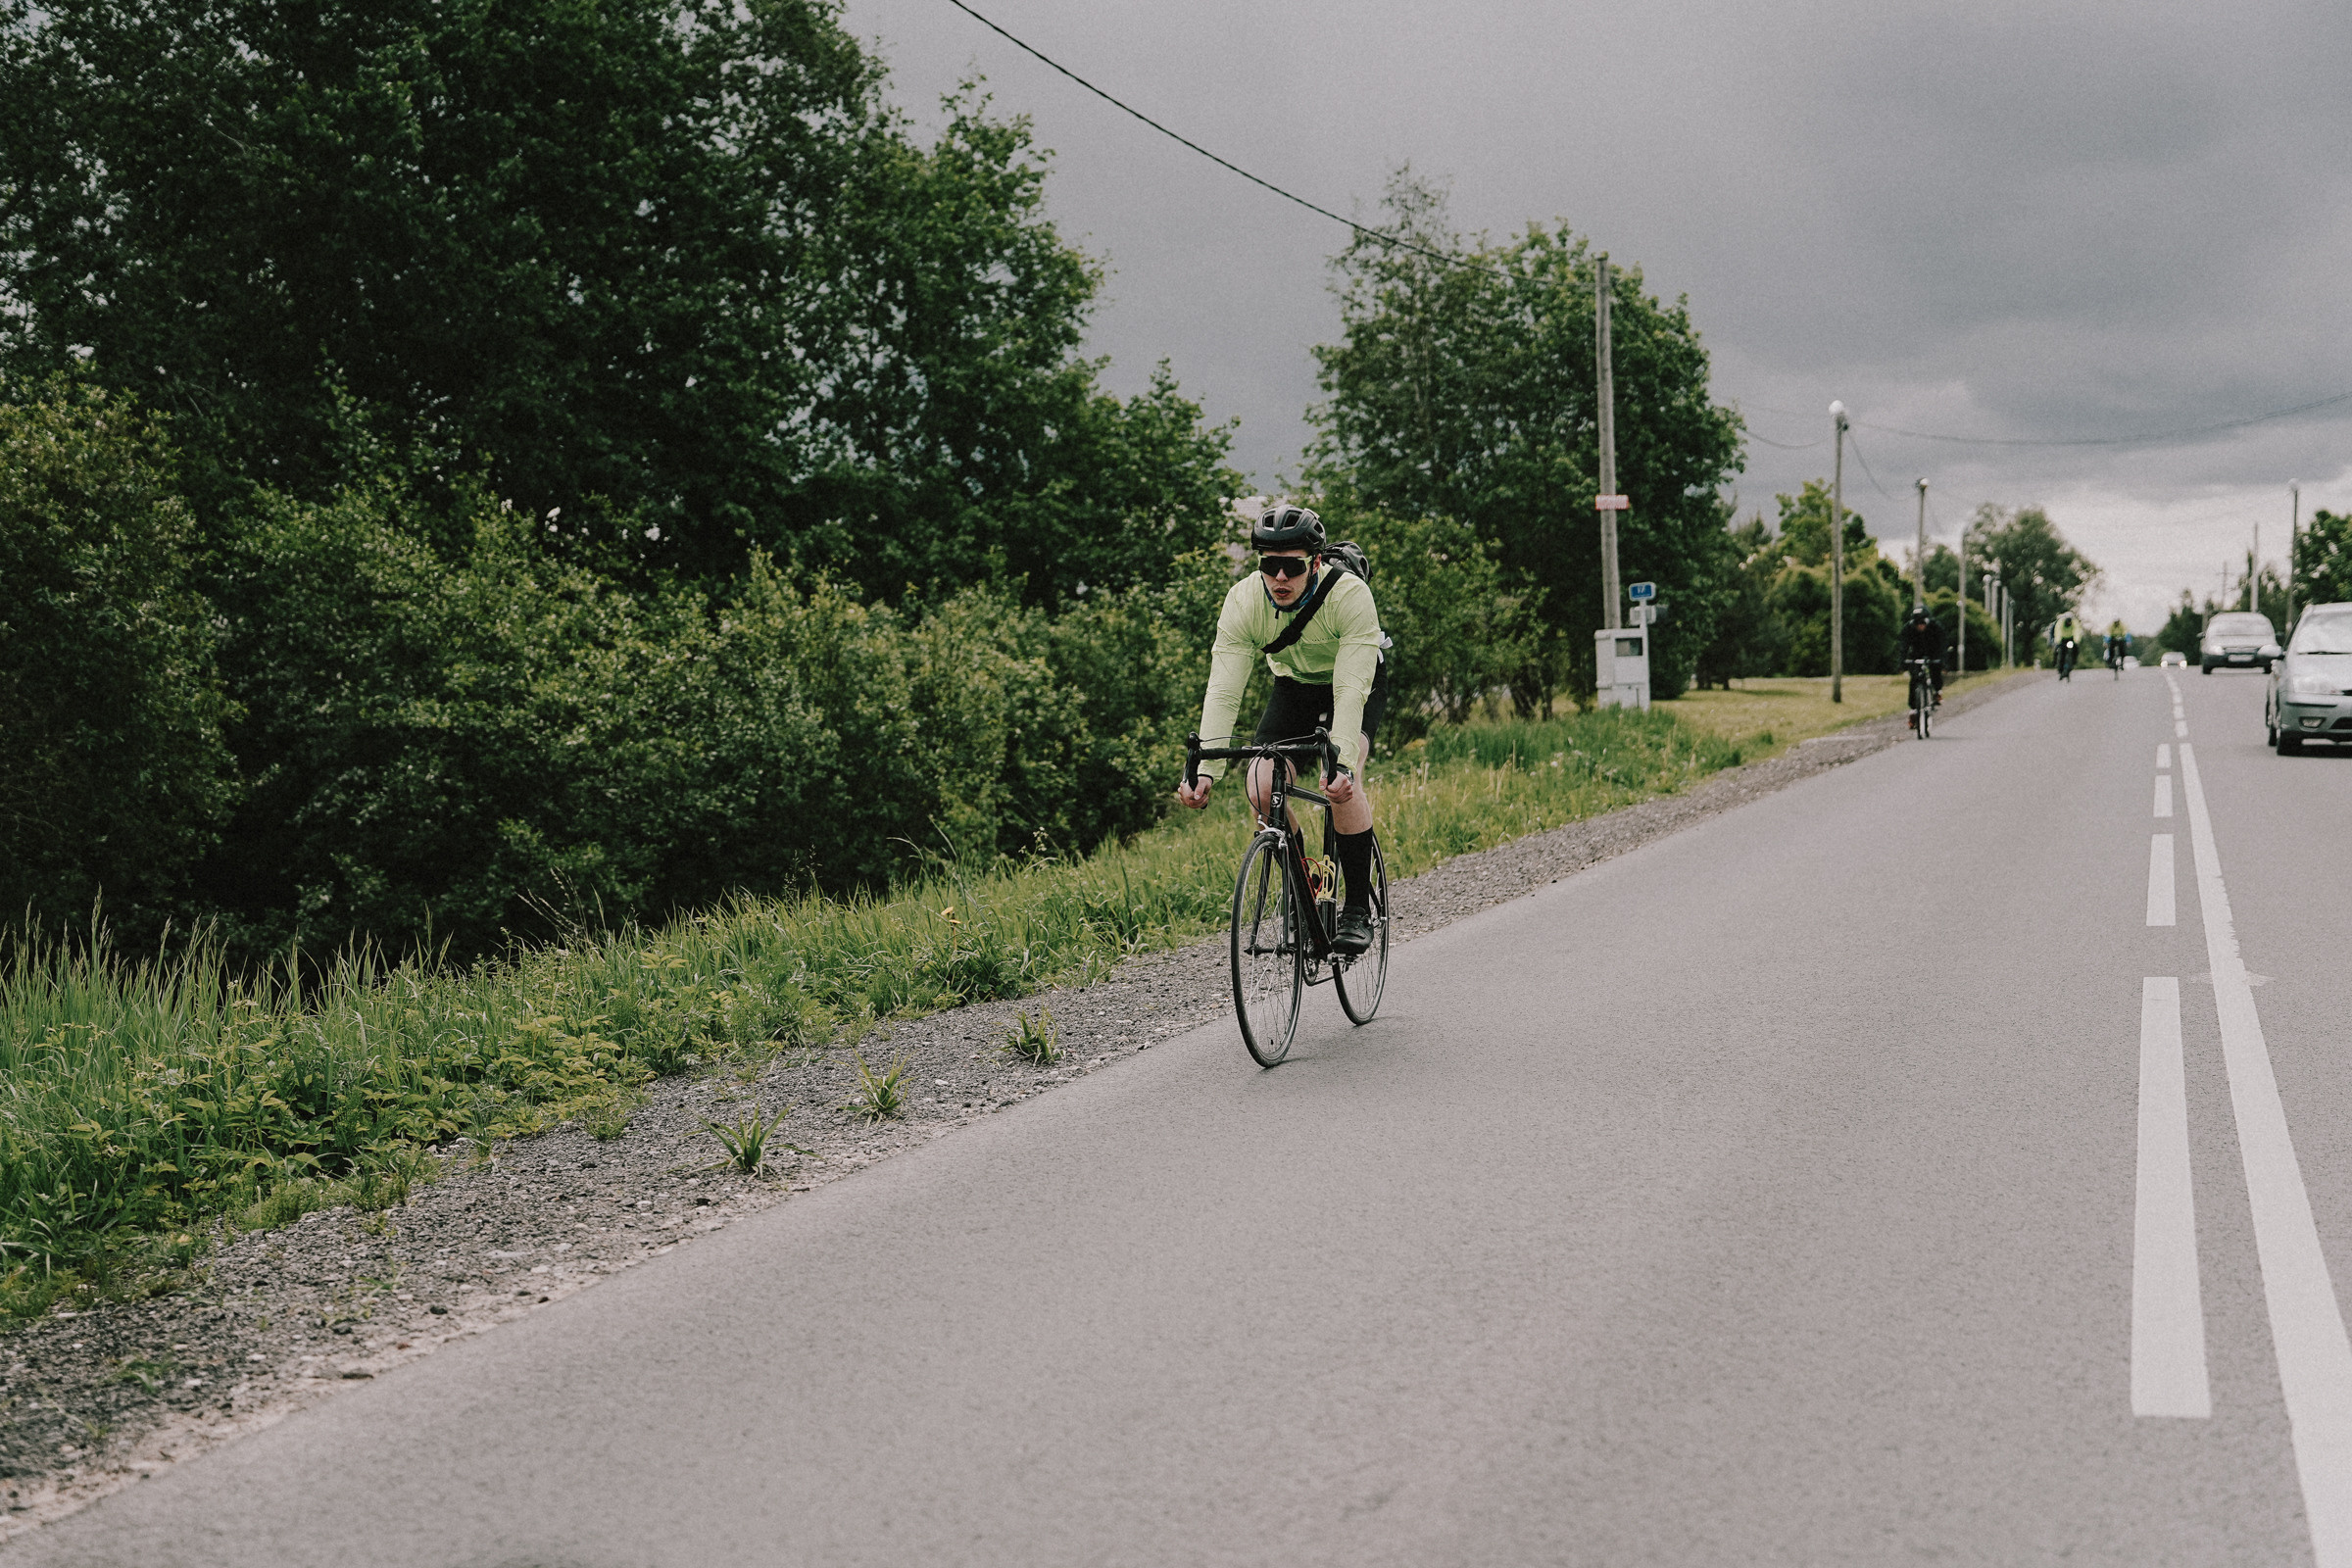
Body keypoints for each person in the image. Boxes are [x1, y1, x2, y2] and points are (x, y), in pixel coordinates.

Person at [1176, 503, 1388, 955]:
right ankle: (1305, 885)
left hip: (1352, 681)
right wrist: (1205, 768)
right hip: (1294, 686)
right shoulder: (1245, 601)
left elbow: (1351, 690)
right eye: (1270, 567)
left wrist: (1343, 763)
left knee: (1340, 786)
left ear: (1314, 562)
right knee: (1259, 784)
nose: (1280, 579)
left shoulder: (1349, 597)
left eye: (1291, 567)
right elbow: (1224, 690)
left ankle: (1355, 908)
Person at [1898, 604, 1946, 727]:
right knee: (1914, 679)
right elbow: (1903, 646)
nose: (1920, 626)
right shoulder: (1908, 628)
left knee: (1936, 669)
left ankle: (1937, 692)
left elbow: (1942, 645)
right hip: (1916, 654)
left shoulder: (1936, 627)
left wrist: (1943, 662)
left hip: (1933, 653)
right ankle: (1914, 708)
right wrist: (1902, 663)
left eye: (1923, 623)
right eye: (1917, 623)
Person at [2054, 612, 2082, 680]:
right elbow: (2058, 632)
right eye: (2068, 620)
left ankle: (2074, 660)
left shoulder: (2075, 622)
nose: (2069, 622)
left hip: (2071, 639)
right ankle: (2058, 666)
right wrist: (2058, 641)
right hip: (2062, 639)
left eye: (2070, 620)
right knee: (2059, 651)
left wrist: (2076, 641)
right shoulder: (2060, 622)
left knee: (2076, 649)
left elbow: (2077, 631)